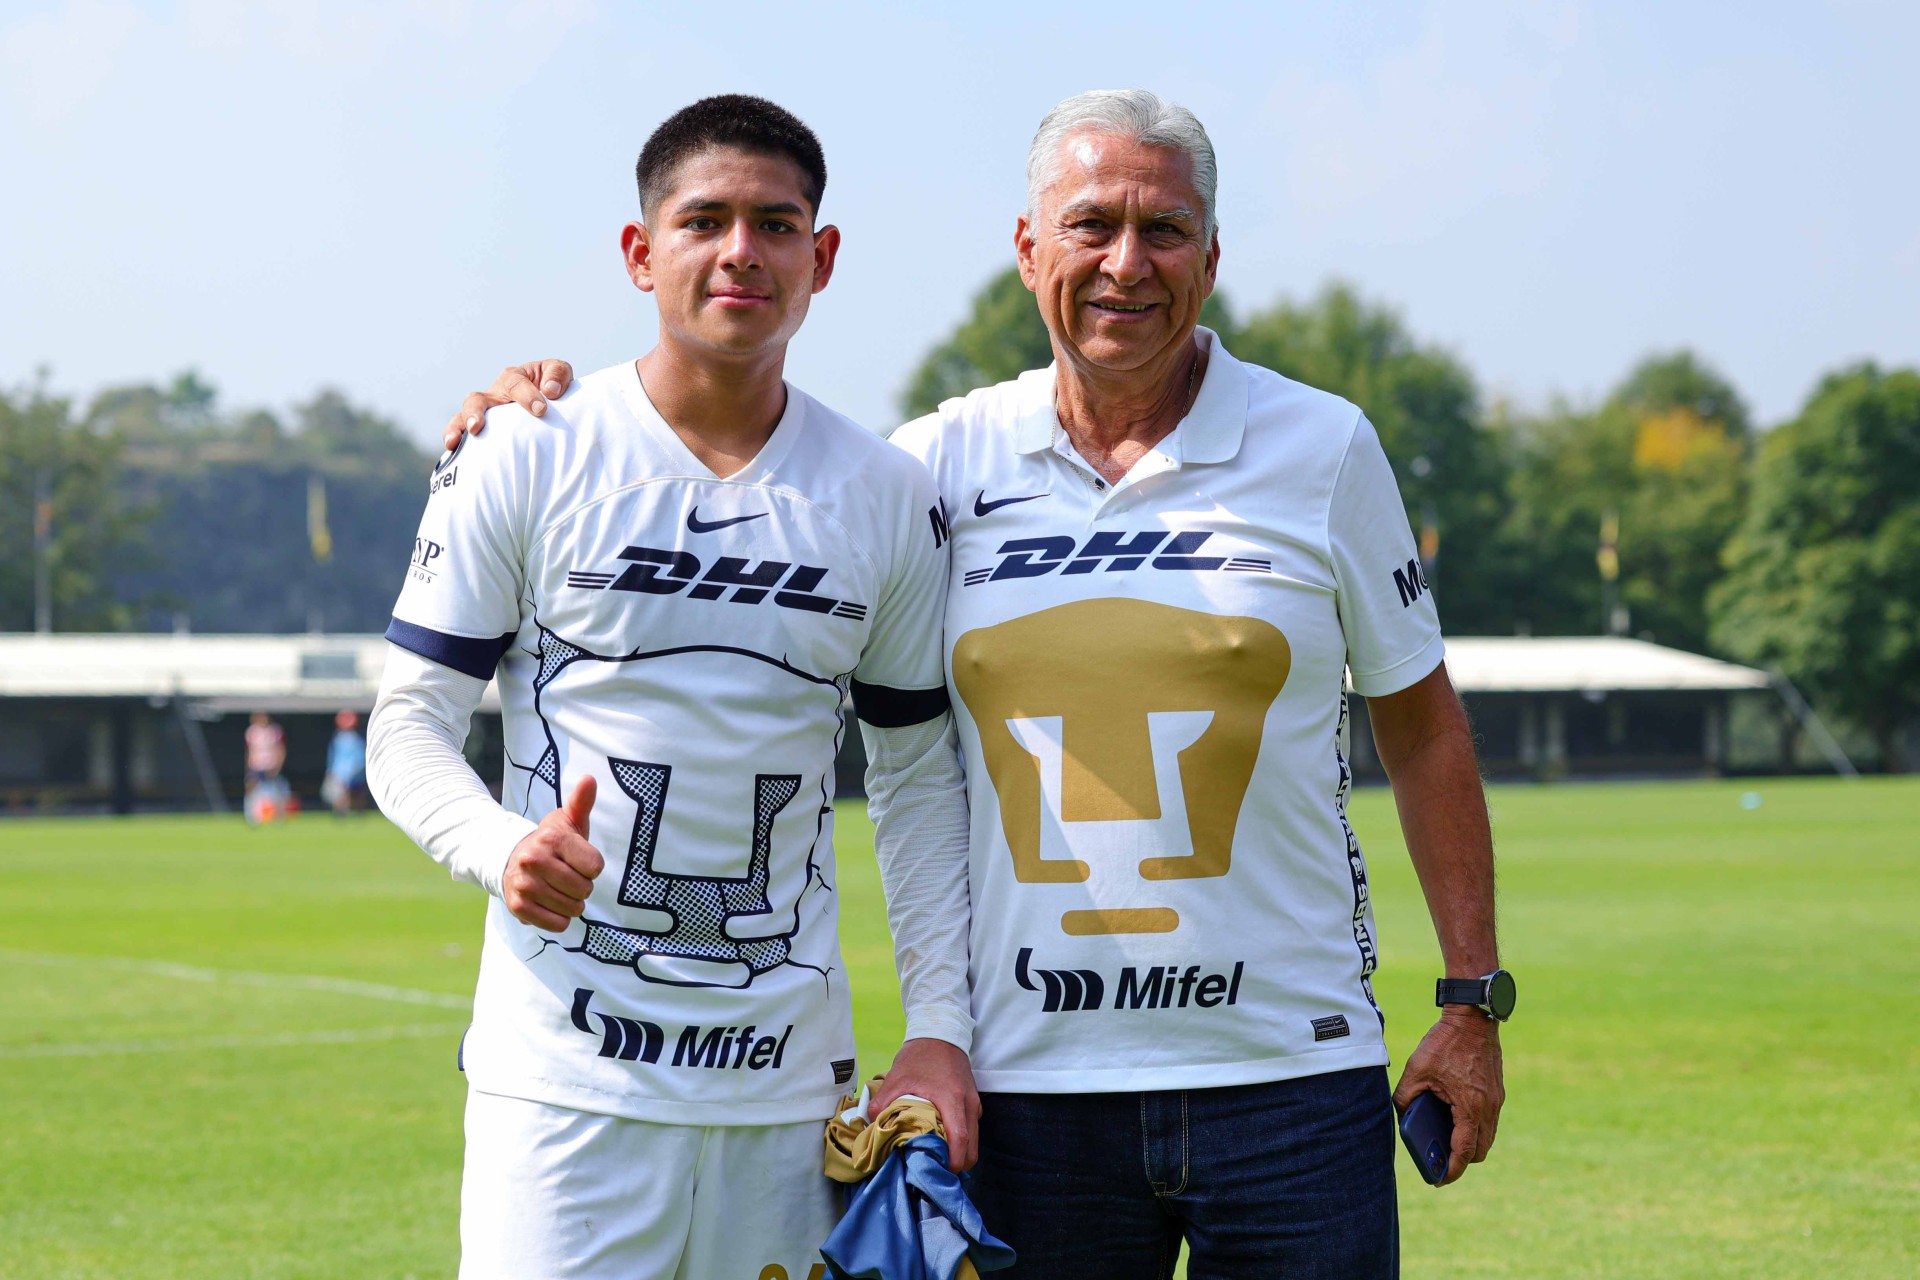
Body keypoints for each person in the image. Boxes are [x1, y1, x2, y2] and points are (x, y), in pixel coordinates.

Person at [456, 88, 1509, 1278]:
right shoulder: (931, 467)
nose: (1126, 263)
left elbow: (1423, 726)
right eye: (1090, 225)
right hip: (1027, 1095)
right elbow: (755, 488)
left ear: (1211, 257)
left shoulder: (1324, 447)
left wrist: (1471, 997)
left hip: (1292, 1078)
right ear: (1027, 249)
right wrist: (536, 421)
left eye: (1164, 231)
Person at [370, 95, 974, 1280]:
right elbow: (407, 724)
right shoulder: (526, 448)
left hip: (786, 1096)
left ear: (821, 257)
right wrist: (502, 847)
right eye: (704, 220)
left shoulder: (888, 492)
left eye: (775, 223)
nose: (741, 250)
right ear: (641, 252)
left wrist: (941, 1026)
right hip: (564, 1087)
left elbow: (915, 779)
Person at [243, 709, 288, 824]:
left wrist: (278, 764)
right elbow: (249, 750)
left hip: (270, 764)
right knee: (251, 788)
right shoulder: (251, 732)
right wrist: (249, 765)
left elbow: (280, 749)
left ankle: (278, 816)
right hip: (256, 764)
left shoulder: (274, 731)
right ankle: (251, 816)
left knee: (276, 790)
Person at [322, 710, 367, 815]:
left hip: (354, 774)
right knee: (339, 796)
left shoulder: (357, 739)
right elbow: (333, 757)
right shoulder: (338, 737)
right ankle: (341, 814)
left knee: (357, 797)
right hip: (339, 774)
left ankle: (357, 814)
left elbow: (360, 758)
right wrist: (330, 771)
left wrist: (356, 771)